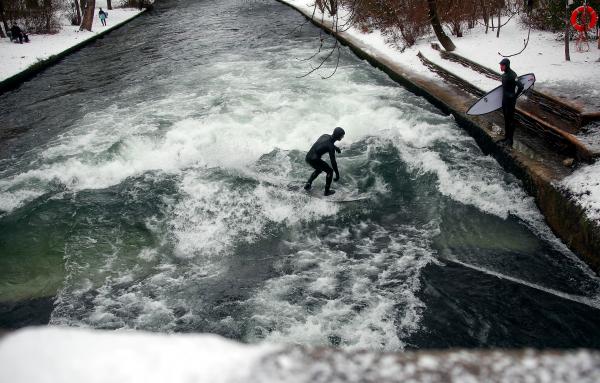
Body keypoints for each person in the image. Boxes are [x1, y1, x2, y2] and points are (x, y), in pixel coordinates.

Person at [304, 127, 345, 196]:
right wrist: (337, 174)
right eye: (342, 135)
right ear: (338, 136)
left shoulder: (325, 135)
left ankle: (308, 183)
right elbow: (333, 162)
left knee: (319, 169)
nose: (343, 137)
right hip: (314, 159)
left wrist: (336, 148)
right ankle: (327, 191)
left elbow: (325, 143)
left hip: (308, 157)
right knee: (330, 171)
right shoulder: (331, 147)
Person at [499, 58, 523, 147]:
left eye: (502, 65)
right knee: (506, 119)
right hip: (504, 100)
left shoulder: (513, 75)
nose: (500, 67)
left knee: (510, 120)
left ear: (507, 65)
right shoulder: (504, 75)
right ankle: (506, 137)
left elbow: (521, 86)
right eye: (500, 65)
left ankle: (510, 140)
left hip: (510, 101)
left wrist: (515, 96)